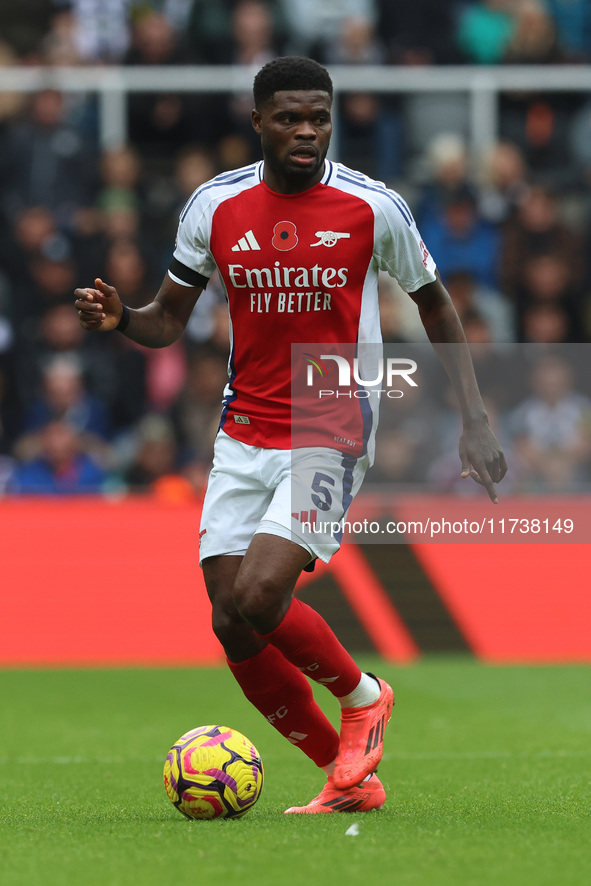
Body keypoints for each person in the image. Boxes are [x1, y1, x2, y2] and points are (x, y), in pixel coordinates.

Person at [74, 57, 506, 814]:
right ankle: (349, 782)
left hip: (331, 416)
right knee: (230, 618)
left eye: (318, 117)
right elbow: (168, 321)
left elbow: (435, 304)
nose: (306, 131)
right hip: (245, 423)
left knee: (261, 590)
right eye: (289, 117)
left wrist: (473, 416)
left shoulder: (373, 207)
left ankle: (365, 696)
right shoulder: (215, 205)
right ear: (258, 122)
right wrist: (121, 321)